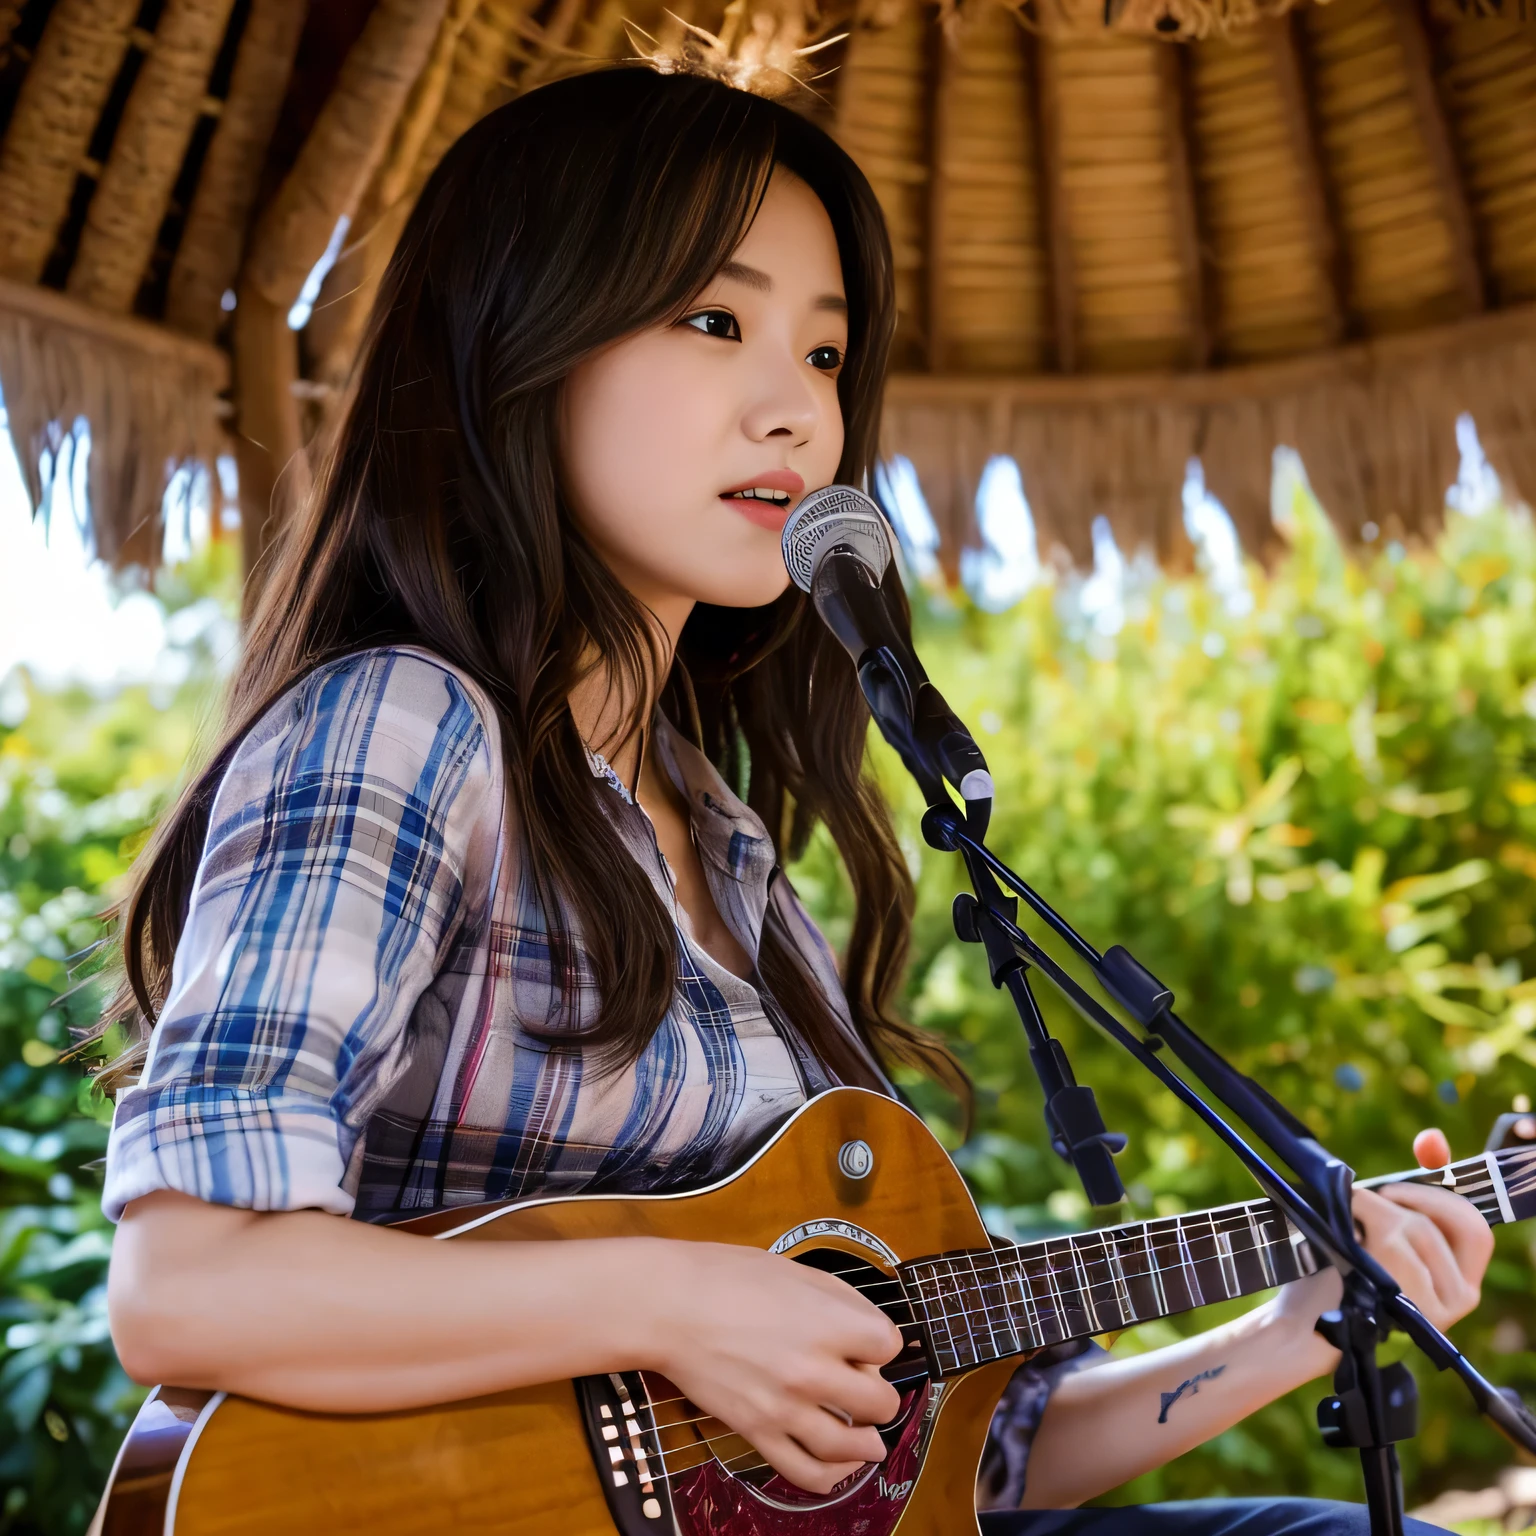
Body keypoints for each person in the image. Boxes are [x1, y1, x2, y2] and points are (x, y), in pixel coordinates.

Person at [98, 65, 1490, 1534]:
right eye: (716, 322)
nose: (797, 413)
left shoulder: (736, 853)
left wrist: (1300, 1325)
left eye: (826, 358)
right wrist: (663, 1300)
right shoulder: (406, 727)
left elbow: (961, 1467)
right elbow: (192, 1282)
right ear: (514, 344)